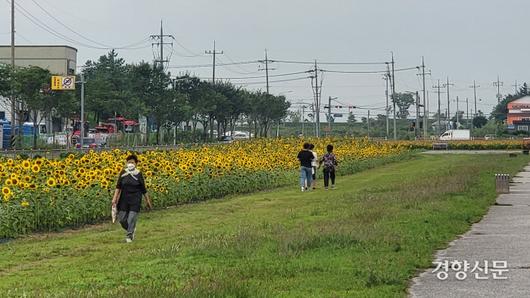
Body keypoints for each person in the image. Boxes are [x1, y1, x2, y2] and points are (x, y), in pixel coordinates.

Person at [111, 154, 153, 243]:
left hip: (135, 199)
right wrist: (114, 199)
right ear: (126, 163)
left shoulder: (138, 174)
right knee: (122, 219)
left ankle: (129, 236)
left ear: (136, 164)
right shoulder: (123, 173)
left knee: (131, 219)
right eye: (129, 162)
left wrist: (147, 200)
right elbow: (118, 187)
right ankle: (131, 229)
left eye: (132, 162)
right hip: (124, 199)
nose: (130, 164)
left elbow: (143, 189)